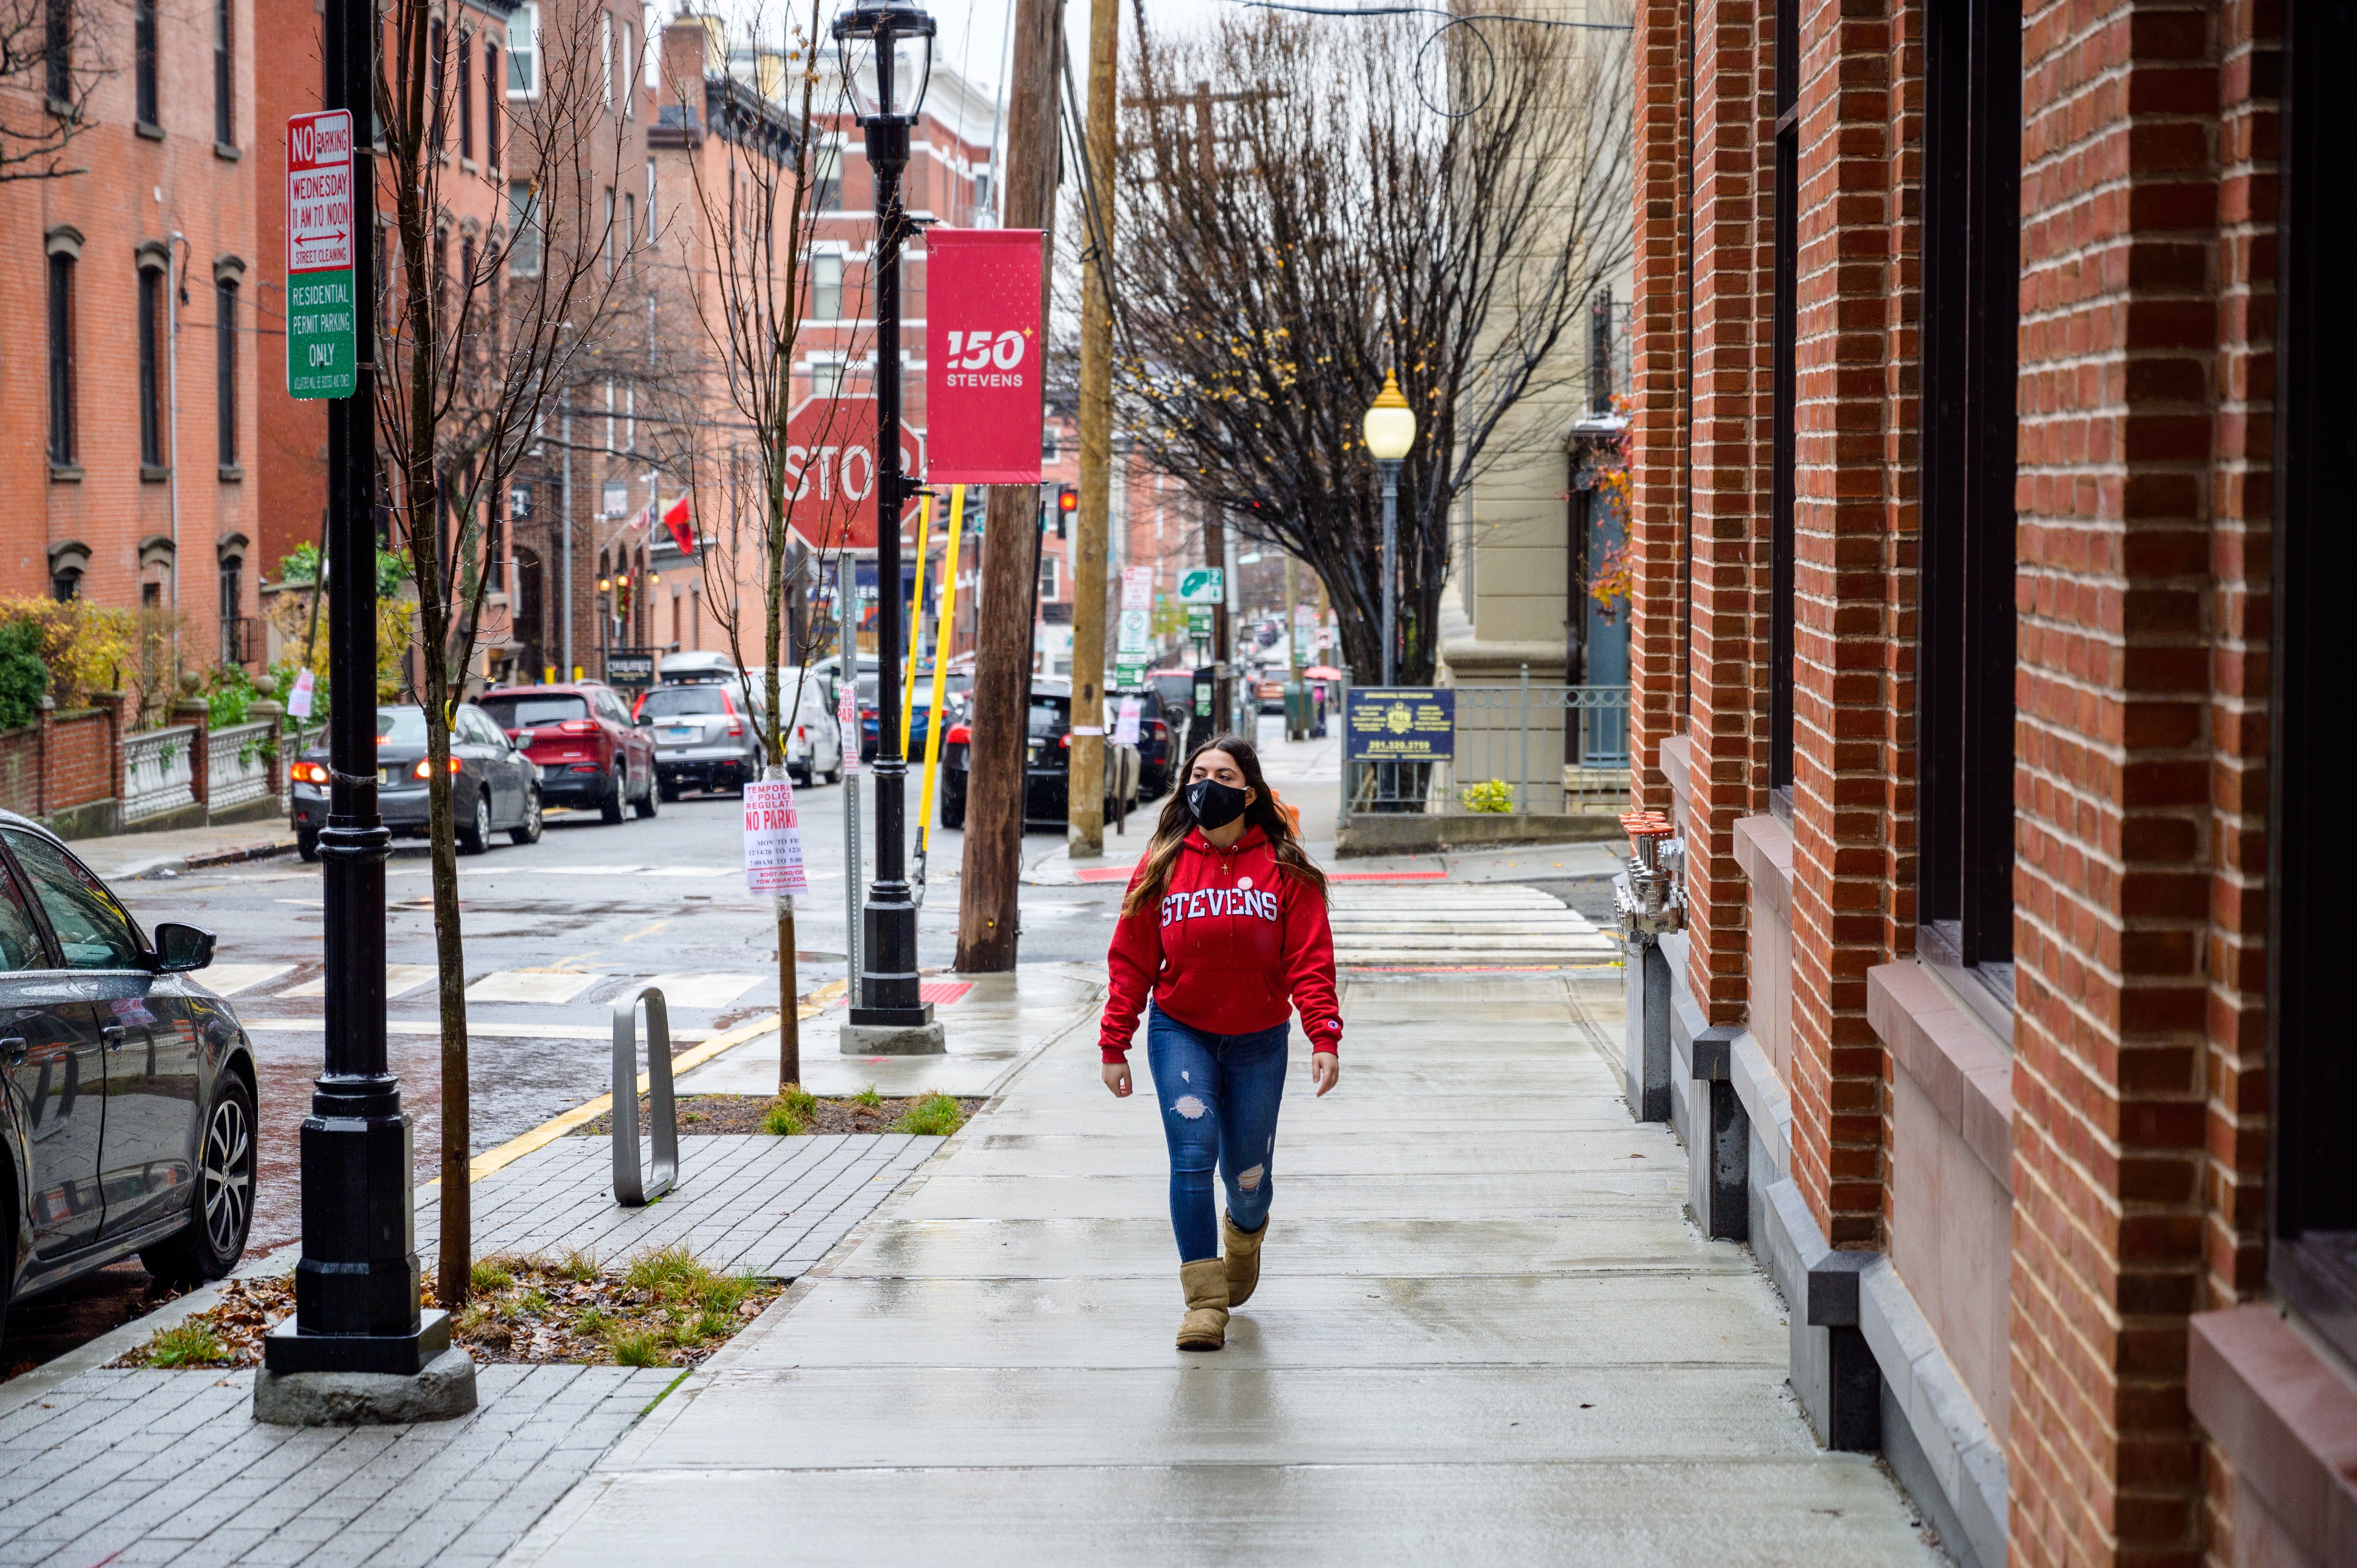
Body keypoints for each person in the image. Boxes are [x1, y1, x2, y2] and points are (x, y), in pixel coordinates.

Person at [1099, 735, 1341, 1351]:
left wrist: (1323, 1033)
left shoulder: (1286, 868)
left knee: (1248, 1178)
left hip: (1260, 1041)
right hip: (1182, 1032)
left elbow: (1311, 960)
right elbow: (1131, 959)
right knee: (1192, 1155)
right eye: (1199, 774)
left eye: (1224, 774)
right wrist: (1115, 1041)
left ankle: (1246, 1231)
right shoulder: (1165, 862)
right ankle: (1204, 1303)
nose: (1208, 784)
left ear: (1249, 792)